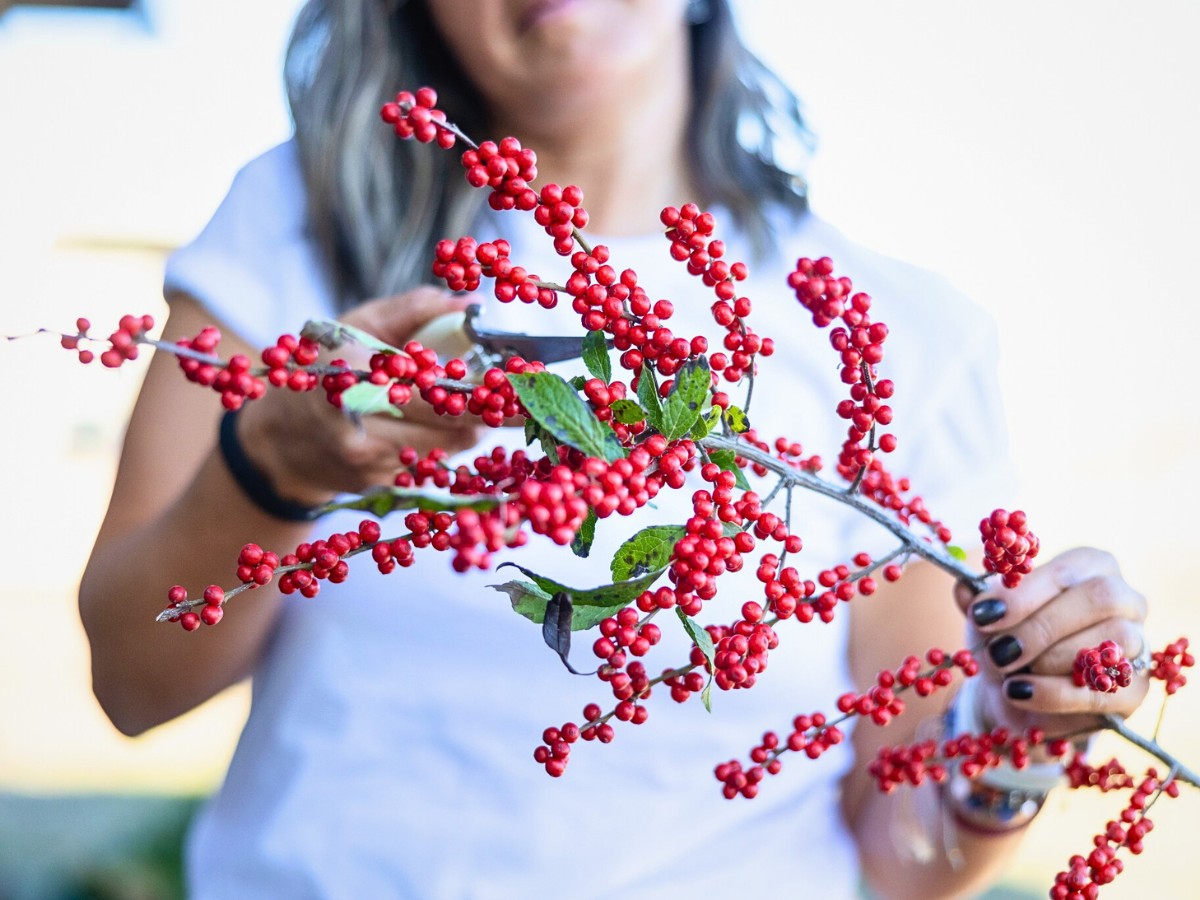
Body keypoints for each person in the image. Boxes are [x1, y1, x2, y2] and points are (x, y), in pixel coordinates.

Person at [78, 1, 1151, 897]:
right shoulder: (296, 235)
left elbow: (907, 853)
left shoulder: (896, 331)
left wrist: (1017, 732)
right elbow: (133, 678)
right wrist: (275, 468)